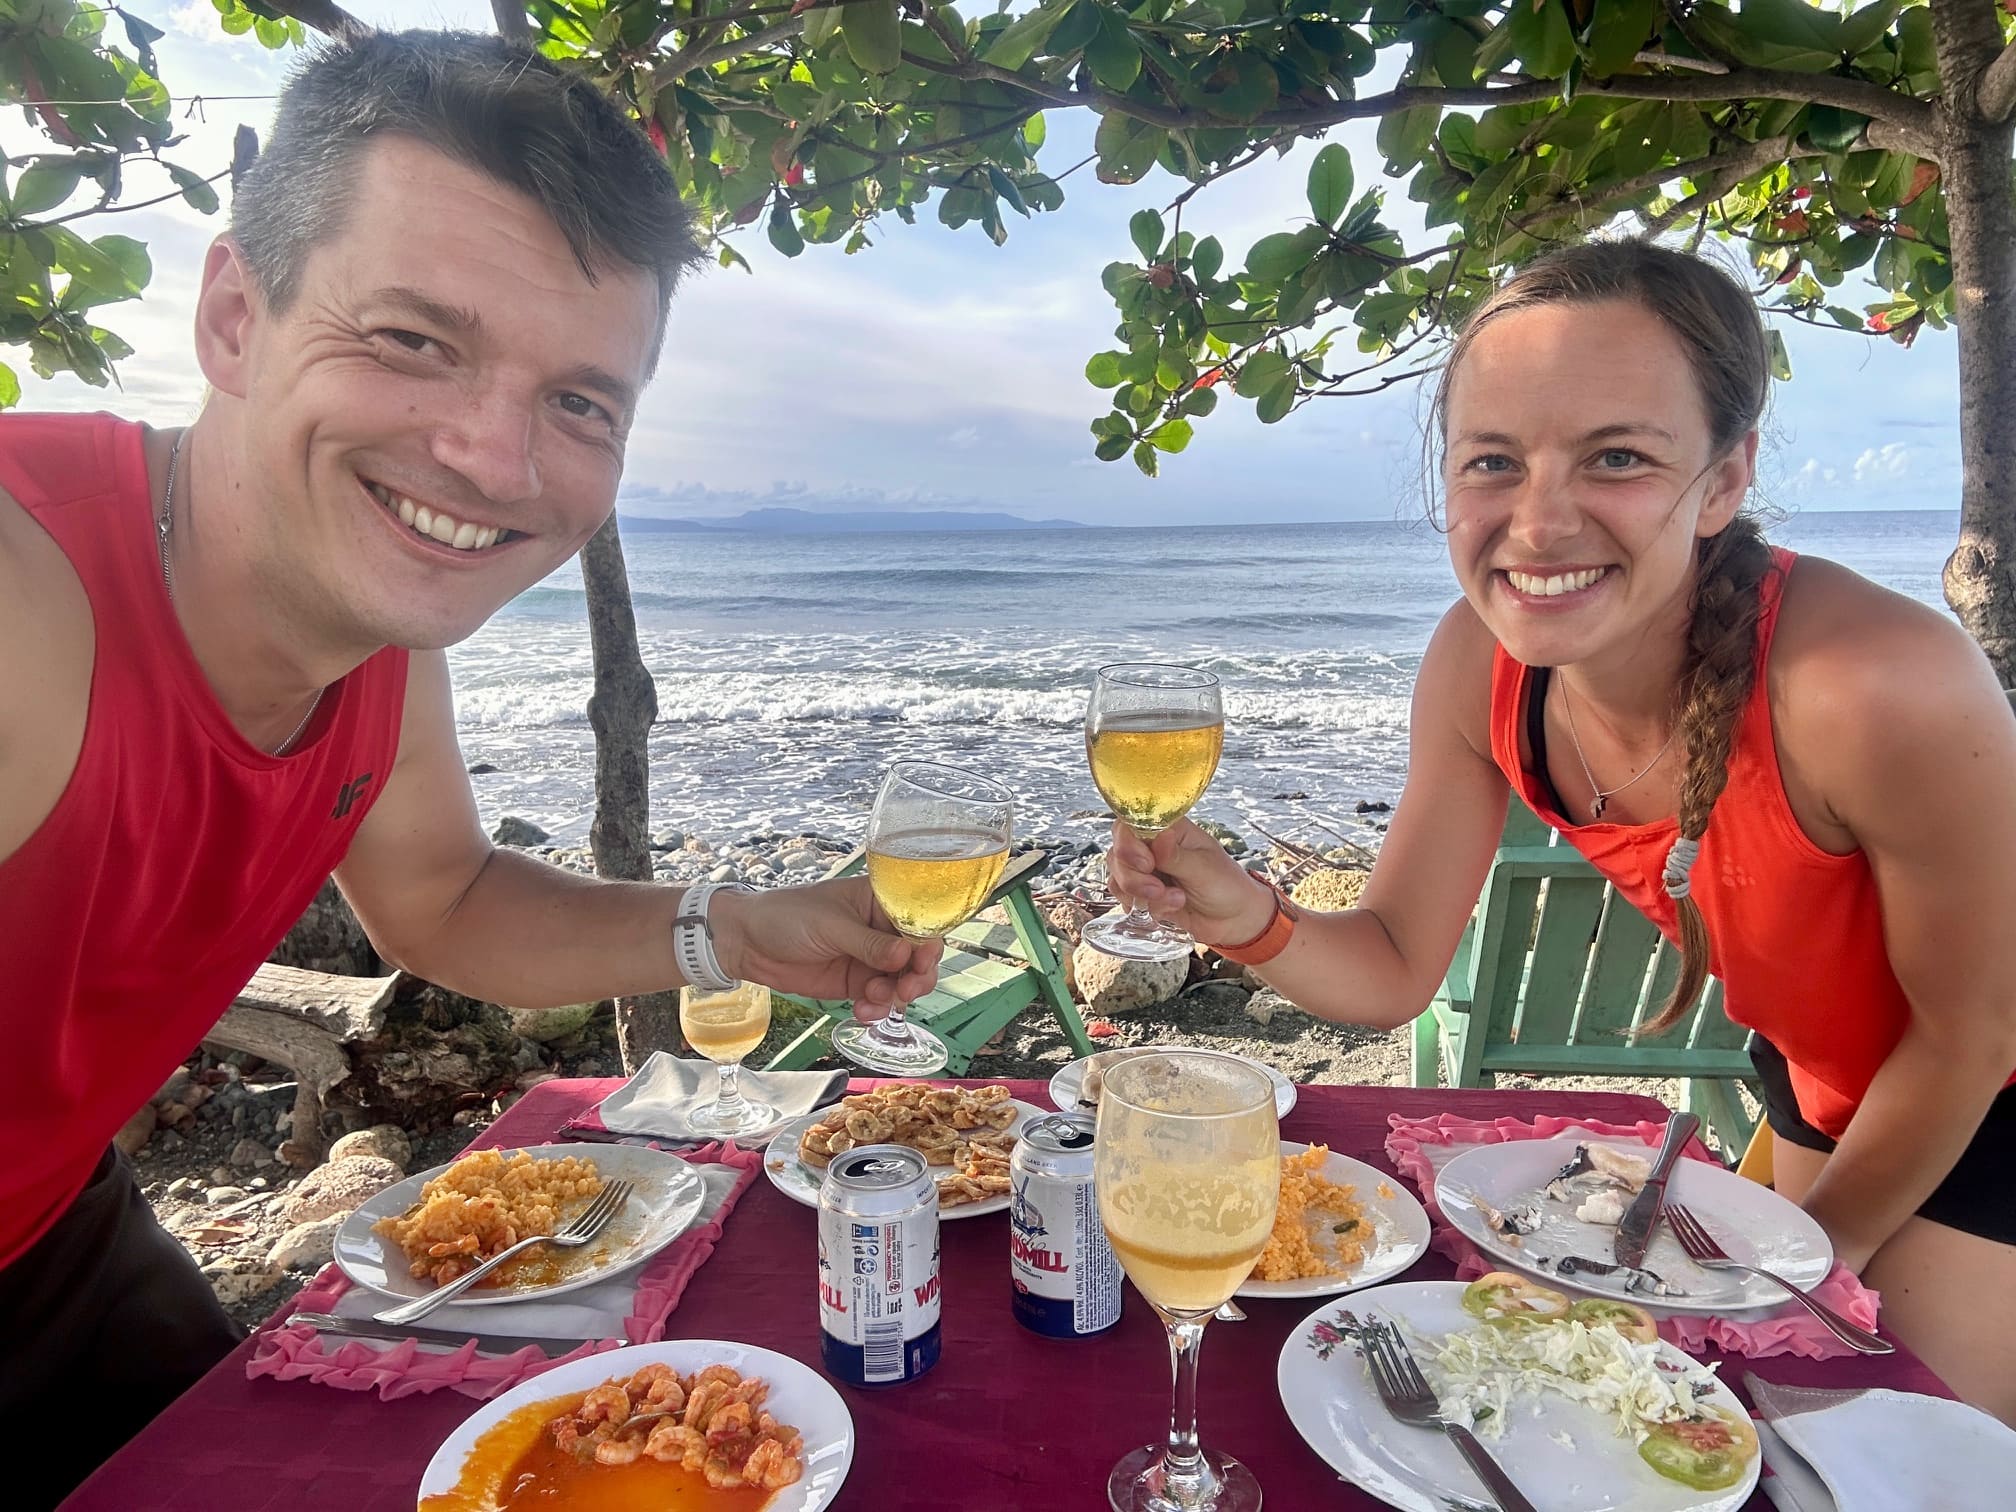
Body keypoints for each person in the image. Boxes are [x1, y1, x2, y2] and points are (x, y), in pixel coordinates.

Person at [0, 33, 938, 1506]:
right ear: (237, 315)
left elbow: (444, 900)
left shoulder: (375, 632)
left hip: (56, 1234)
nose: (495, 461)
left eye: (580, 403)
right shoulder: (25, 610)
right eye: (413, 340)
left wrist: (735, 928)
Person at [1108, 241, 2016, 1423]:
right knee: (1754, 1437)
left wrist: (1789, 1284)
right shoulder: (1478, 664)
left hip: (1986, 1096)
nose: (1536, 524)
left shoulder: (1876, 685)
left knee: (1888, 1449)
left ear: (1725, 479)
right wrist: (1245, 916)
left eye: (1617, 457)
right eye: (1493, 461)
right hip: (1817, 1082)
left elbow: (1968, 1034)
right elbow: (1391, 969)